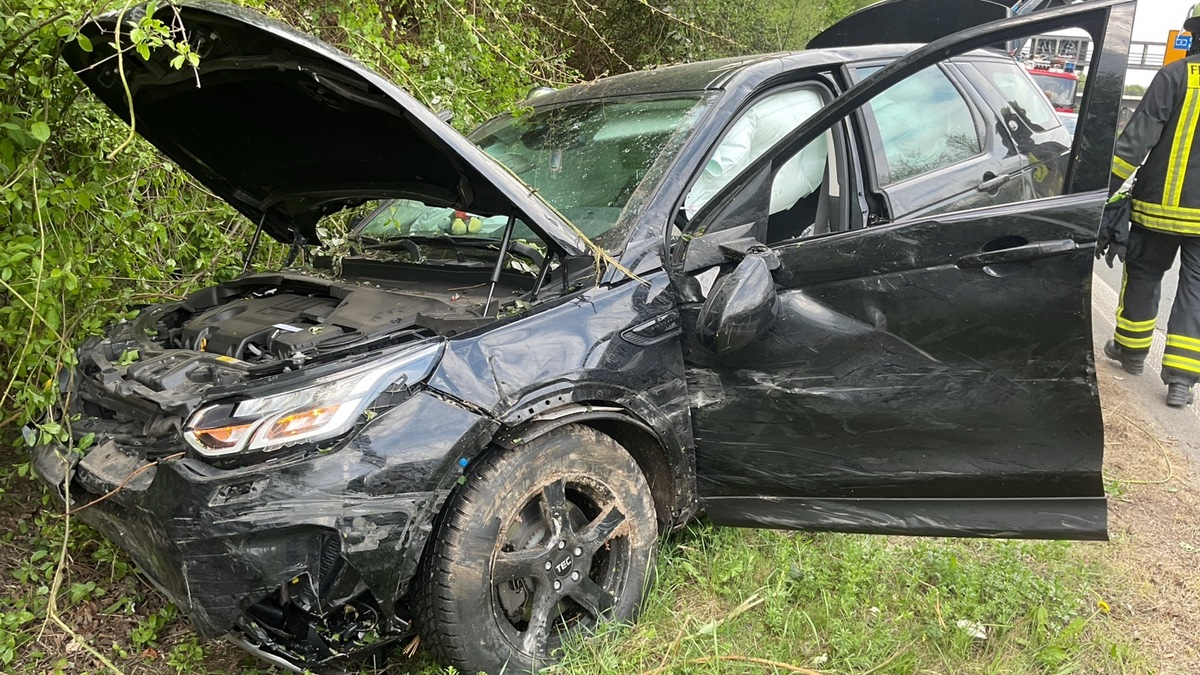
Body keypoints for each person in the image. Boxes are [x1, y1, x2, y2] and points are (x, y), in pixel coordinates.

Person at [1096, 5, 1200, 408]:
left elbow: (1134, 144)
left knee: (1142, 276)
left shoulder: (1175, 77)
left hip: (1156, 210)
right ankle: (1181, 382)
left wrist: (1100, 193)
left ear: (1191, 33)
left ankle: (1132, 353)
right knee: (1195, 293)